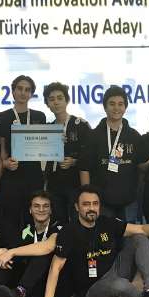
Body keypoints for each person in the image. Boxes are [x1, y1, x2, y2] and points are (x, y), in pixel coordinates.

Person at [42, 186, 149, 297]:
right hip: (91, 289)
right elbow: (56, 266)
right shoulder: (68, 232)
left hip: (114, 271)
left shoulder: (107, 222)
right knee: (119, 286)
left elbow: (142, 229)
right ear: (77, 207)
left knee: (139, 237)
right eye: (86, 204)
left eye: (95, 204)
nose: (91, 208)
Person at [0, 189, 72, 297]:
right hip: (33, 288)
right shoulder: (26, 230)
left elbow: (48, 246)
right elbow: (14, 248)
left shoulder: (60, 227)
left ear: (51, 210)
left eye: (45, 206)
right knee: (8, 260)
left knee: (41, 254)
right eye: (36, 206)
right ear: (30, 210)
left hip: (58, 289)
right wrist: (2, 252)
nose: (41, 209)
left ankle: (19, 293)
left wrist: (11, 252)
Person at [80, 85, 142, 222]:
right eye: (112, 104)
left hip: (128, 201)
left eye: (120, 104)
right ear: (105, 107)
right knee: (104, 235)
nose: (116, 108)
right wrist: (87, 197)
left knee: (129, 235)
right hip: (101, 201)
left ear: (125, 107)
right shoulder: (93, 136)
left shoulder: (135, 136)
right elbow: (84, 168)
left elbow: (140, 168)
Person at [0, 75, 46, 228]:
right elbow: (3, 150)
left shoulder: (39, 116)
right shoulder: (2, 117)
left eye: (27, 90)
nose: (23, 93)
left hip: (34, 175)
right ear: (13, 91)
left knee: (33, 219)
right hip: (12, 176)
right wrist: (5, 163)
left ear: (31, 94)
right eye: (20, 88)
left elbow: (44, 145)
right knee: (11, 220)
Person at [43, 82, 91, 224]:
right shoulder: (46, 129)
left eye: (60, 98)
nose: (56, 102)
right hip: (54, 185)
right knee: (58, 223)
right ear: (47, 104)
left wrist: (74, 161)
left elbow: (90, 156)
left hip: (75, 183)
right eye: (51, 99)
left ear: (67, 100)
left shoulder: (81, 125)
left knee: (78, 222)